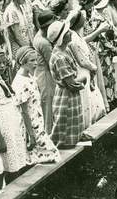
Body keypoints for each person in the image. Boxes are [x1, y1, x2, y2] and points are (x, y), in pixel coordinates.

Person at [0, 47, 32, 177]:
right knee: (2, 165)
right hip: (1, 130)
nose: (2, 66)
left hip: (9, 127)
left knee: (12, 162)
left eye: (4, 62)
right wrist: (0, 140)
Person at [10, 46, 60, 165]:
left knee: (43, 156)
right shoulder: (20, 82)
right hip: (31, 126)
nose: (36, 63)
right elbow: (23, 111)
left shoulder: (29, 76)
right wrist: (31, 135)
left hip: (37, 121)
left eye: (36, 60)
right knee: (51, 153)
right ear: (22, 62)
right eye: (32, 61)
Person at [48, 20, 86, 148]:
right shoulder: (59, 58)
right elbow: (71, 84)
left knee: (74, 119)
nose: (70, 32)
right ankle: (64, 144)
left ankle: (75, 139)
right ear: (62, 38)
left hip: (71, 95)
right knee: (65, 120)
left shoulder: (66, 50)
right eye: (67, 32)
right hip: (65, 96)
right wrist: (84, 77)